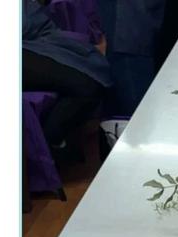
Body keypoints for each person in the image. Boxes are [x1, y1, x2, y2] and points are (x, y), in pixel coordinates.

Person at [22, 0, 112, 159]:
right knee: (87, 86)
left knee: (93, 74)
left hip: (33, 39)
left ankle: (50, 144)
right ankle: (47, 146)